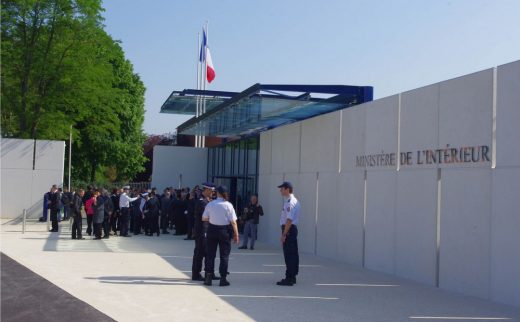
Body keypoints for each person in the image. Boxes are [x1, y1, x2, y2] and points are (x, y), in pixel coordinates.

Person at [202, 185, 239, 287]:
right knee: (224, 256)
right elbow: (233, 222)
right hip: (224, 231)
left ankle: (208, 277)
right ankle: (223, 279)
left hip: (212, 230)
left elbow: (204, 218)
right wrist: (236, 234)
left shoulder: (210, 204)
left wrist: (212, 218)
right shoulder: (229, 205)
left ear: (217, 193)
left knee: (210, 255)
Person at [191, 183, 220, 282]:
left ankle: (210, 273)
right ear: (207, 190)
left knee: (209, 253)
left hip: (208, 231)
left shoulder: (208, 201)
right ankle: (196, 274)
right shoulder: (202, 202)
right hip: (202, 231)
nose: (213, 193)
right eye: (212, 191)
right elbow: (207, 217)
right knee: (199, 253)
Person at [276, 182, 301, 286]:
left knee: (289, 254)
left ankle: (289, 278)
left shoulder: (290, 202)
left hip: (289, 230)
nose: (280, 190)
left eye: (282, 189)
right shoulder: (294, 201)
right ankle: (293, 276)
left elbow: (289, 219)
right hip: (291, 229)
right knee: (293, 254)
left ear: (287, 189)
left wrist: (284, 234)